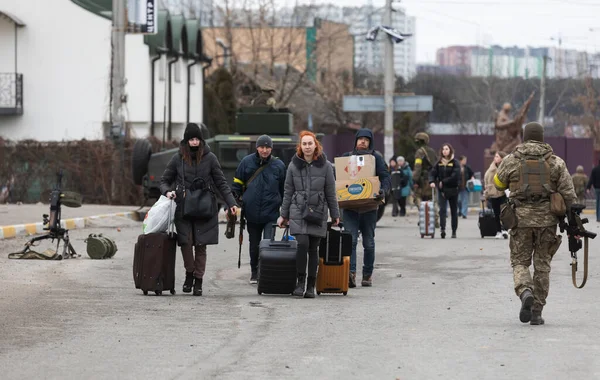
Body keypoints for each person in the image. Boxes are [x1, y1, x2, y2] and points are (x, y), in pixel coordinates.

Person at [494, 122, 576, 325]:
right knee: (542, 266)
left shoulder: (511, 160)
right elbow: (569, 194)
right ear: (541, 137)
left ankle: (525, 291)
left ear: (524, 137)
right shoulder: (556, 162)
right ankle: (537, 312)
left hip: (520, 220)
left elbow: (497, 184)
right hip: (547, 221)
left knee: (520, 262)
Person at [160, 123, 238, 296]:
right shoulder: (177, 158)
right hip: (183, 207)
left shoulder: (210, 158)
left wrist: (231, 203)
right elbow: (164, 180)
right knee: (186, 244)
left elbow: (221, 183)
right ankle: (189, 274)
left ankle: (198, 280)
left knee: (201, 245)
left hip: (205, 207)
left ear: (201, 140)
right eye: (191, 139)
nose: (194, 142)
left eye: (197, 139)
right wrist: (168, 192)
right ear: (186, 141)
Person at [278, 131, 340, 298]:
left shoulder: (326, 166)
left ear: (315, 146)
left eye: (310, 144)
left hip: (318, 211)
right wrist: (283, 215)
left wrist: (335, 214)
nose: (307, 147)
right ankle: (300, 282)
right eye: (304, 144)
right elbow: (288, 191)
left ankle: (311, 286)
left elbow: (331, 192)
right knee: (302, 243)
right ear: (300, 146)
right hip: (297, 210)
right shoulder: (292, 166)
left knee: (313, 248)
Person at [339, 129, 391, 288]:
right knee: (351, 241)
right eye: (360, 139)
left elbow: (386, 177)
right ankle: (351, 274)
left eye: (366, 140)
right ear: (355, 141)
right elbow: (338, 179)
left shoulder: (376, 158)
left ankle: (367, 274)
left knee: (368, 243)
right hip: (350, 208)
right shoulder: (346, 158)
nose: (362, 142)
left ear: (370, 142)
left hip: (369, 208)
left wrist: (383, 191)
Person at [231, 135, 286, 284]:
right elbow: (236, 185)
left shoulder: (279, 165)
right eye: (262, 147)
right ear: (257, 147)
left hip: (271, 213)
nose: (265, 150)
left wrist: (285, 210)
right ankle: (254, 272)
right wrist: (237, 203)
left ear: (271, 148)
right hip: (251, 213)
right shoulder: (246, 162)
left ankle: (266, 272)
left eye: (268, 147)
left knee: (268, 244)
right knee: (254, 245)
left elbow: (284, 190)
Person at [429, 143, 461, 239]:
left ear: (450, 150)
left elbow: (455, 176)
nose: (445, 151)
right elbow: (432, 173)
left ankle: (454, 231)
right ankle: (443, 230)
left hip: (453, 190)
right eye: (443, 149)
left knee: (454, 211)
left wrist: (443, 181)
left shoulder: (455, 162)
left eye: (446, 149)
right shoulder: (439, 163)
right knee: (442, 210)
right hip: (442, 191)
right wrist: (432, 181)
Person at [484, 151, 508, 239]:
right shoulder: (491, 169)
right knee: (496, 213)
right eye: (495, 156)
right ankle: (498, 231)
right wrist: (487, 191)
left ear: (502, 158)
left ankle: (504, 229)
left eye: (497, 156)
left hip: (503, 193)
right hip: (493, 194)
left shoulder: (506, 168)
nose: (495, 158)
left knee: (504, 212)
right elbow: (486, 179)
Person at [412, 132, 438, 206]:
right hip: (431, 179)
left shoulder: (419, 152)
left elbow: (418, 167)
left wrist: (414, 179)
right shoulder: (432, 151)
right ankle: (434, 216)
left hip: (422, 180)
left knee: (417, 197)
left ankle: (424, 214)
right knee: (432, 200)